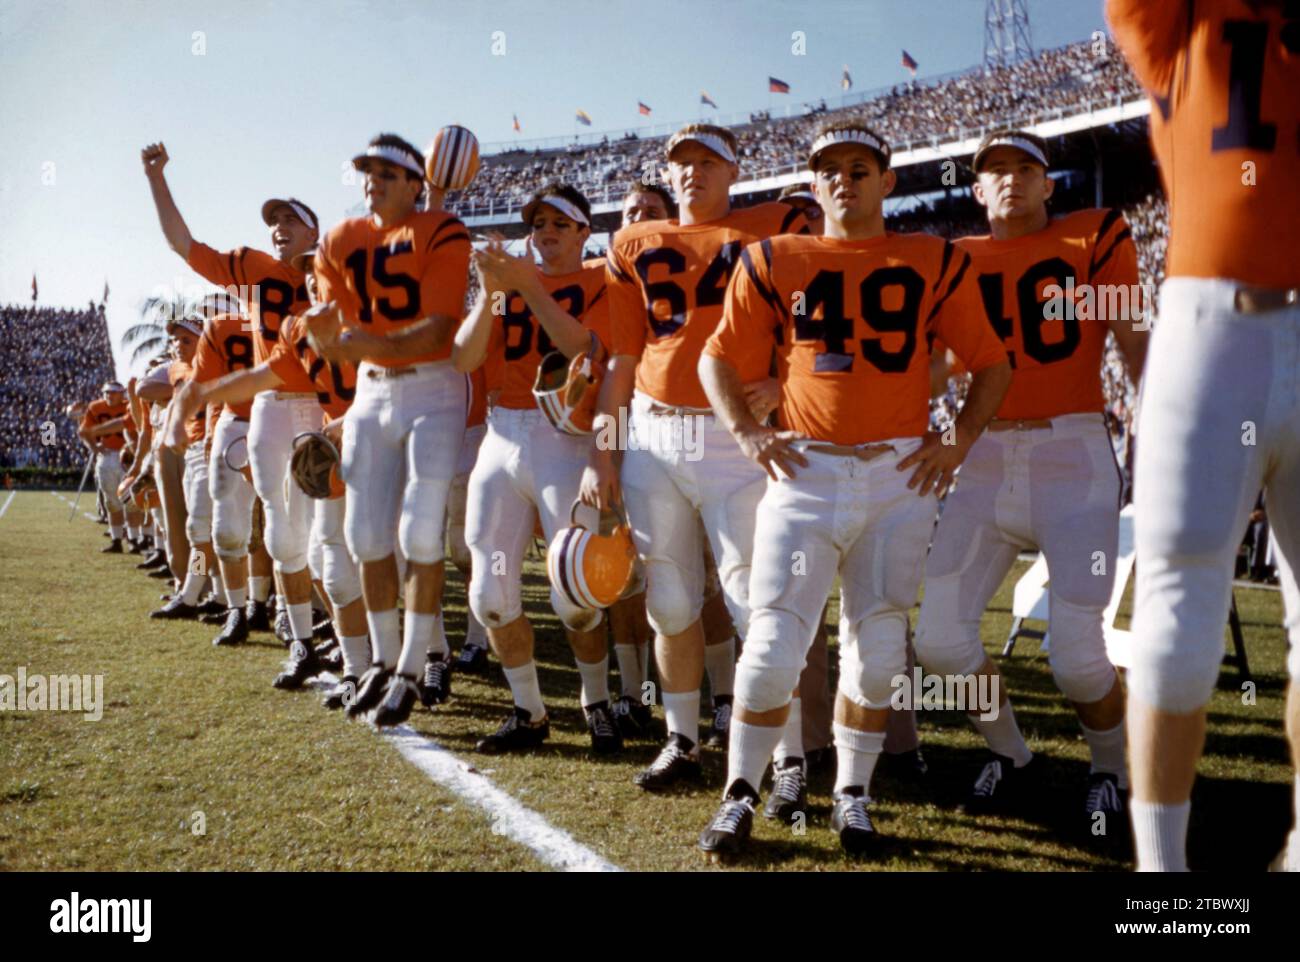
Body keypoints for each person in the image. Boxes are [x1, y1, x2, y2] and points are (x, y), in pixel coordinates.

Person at [694, 121, 1010, 858]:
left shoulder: (934, 256)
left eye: (860, 167)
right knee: (772, 644)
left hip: (898, 474)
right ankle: (741, 792)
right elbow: (717, 359)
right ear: (813, 184)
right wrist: (746, 433)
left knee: (878, 653)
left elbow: (991, 361)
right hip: (804, 470)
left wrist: (956, 440)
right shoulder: (774, 257)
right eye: (830, 170)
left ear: (887, 180)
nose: (845, 180)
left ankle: (853, 794)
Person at [1107, 0, 1300, 872]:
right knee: (1178, 628)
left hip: (1226, 333)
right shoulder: (1185, 21)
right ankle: (1162, 878)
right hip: (1211, 323)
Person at [913, 128, 1147, 831]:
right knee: (938, 641)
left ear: (1050, 184)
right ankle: (1013, 753)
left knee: (1077, 657)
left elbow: (1133, 340)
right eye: (995, 172)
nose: (1010, 180)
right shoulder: (955, 260)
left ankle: (1112, 766)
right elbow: (937, 367)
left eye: (1026, 169)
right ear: (976, 189)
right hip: (980, 458)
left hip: (1071, 457)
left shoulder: (1095, 236)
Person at [582, 123, 809, 792]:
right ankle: (681, 740)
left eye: (708, 161)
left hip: (734, 434)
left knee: (754, 599)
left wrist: (787, 382)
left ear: (734, 172)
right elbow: (622, 360)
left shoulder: (775, 229)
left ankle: (789, 753)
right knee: (671, 602)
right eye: (682, 162)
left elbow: (816, 324)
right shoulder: (630, 244)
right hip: (655, 432)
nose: (693, 173)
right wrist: (603, 456)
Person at [303, 133, 472, 726]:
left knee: (423, 533)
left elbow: (437, 330)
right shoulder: (338, 239)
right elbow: (330, 332)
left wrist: (355, 341)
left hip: (434, 385)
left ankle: (411, 665)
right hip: (372, 390)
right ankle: (378, 659)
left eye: (386, 171)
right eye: (366, 170)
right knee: (365, 536)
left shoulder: (442, 231)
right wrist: (322, 333)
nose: (372, 178)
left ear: (415, 183)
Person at [453, 184, 621, 753]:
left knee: (576, 594)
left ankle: (595, 701)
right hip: (503, 433)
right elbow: (465, 357)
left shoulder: (601, 278)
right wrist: (488, 292)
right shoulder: (507, 287)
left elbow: (583, 347)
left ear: (583, 232)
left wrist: (527, 285)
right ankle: (529, 713)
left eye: (560, 222)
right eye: (539, 221)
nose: (546, 230)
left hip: (565, 437)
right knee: (491, 594)